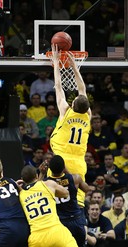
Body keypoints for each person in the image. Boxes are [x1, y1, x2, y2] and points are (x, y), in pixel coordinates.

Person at [50, 44, 91, 210]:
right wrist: (75, 67)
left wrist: (56, 63)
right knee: (78, 201)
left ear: (73, 104)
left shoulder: (66, 111)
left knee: (57, 197)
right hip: (80, 162)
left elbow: (58, 87)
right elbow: (82, 89)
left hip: (62, 159)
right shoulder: (88, 116)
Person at [19, 165, 84, 247]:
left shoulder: (21, 195)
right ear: (37, 176)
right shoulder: (48, 184)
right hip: (57, 232)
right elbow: (65, 194)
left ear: (22, 179)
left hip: (37, 238)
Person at [45, 155, 90, 247]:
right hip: (75, 220)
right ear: (63, 167)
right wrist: (68, 172)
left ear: (50, 169)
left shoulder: (46, 183)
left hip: (60, 223)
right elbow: (87, 189)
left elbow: (36, 189)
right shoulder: (75, 178)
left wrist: (42, 173)